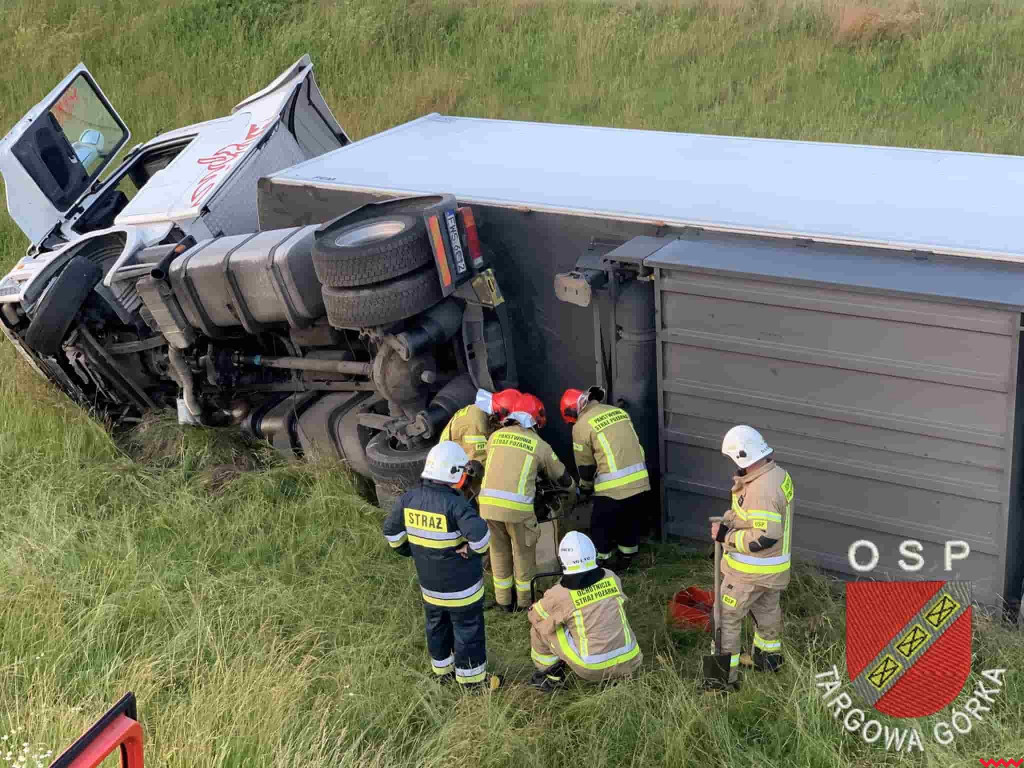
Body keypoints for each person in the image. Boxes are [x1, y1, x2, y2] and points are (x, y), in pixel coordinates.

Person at [381, 441, 498, 690]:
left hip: (430, 588)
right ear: (454, 473)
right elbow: (482, 538)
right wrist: (470, 551)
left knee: (436, 627)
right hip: (462, 589)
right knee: (467, 631)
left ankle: (442, 673)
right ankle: (473, 683)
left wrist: (411, 550)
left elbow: (391, 533)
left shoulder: (407, 499)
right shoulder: (456, 505)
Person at [710, 425, 794, 689]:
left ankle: (721, 680)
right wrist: (732, 519)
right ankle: (768, 660)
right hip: (773, 570)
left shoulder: (762, 489)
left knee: (726, 618)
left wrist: (726, 538)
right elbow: (756, 515)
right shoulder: (778, 475)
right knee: (767, 611)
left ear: (741, 456)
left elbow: (766, 536)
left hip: (749, 572)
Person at [478, 392, 576, 611]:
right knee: (523, 554)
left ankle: (504, 602)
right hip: (517, 511)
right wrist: (573, 493)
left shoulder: (495, 437)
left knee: (499, 552)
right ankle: (524, 604)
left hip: (487, 508)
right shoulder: (539, 445)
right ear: (535, 420)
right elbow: (562, 477)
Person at [527, 531, 642, 692]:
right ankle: (618, 677)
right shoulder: (611, 577)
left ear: (563, 560)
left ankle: (550, 677)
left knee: (540, 629)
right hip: (632, 658)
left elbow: (535, 616)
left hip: (593, 667)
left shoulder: (559, 594)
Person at [560, 386, 650, 570]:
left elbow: (585, 466)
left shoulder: (581, 426)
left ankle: (602, 560)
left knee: (600, 525)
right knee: (629, 520)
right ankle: (628, 557)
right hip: (640, 481)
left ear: (573, 411)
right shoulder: (618, 412)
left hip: (613, 487)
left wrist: (584, 488)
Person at [438, 388, 520, 502]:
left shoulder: (483, 413)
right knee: (481, 474)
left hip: (461, 459)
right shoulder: (476, 423)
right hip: (452, 471)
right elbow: (478, 460)